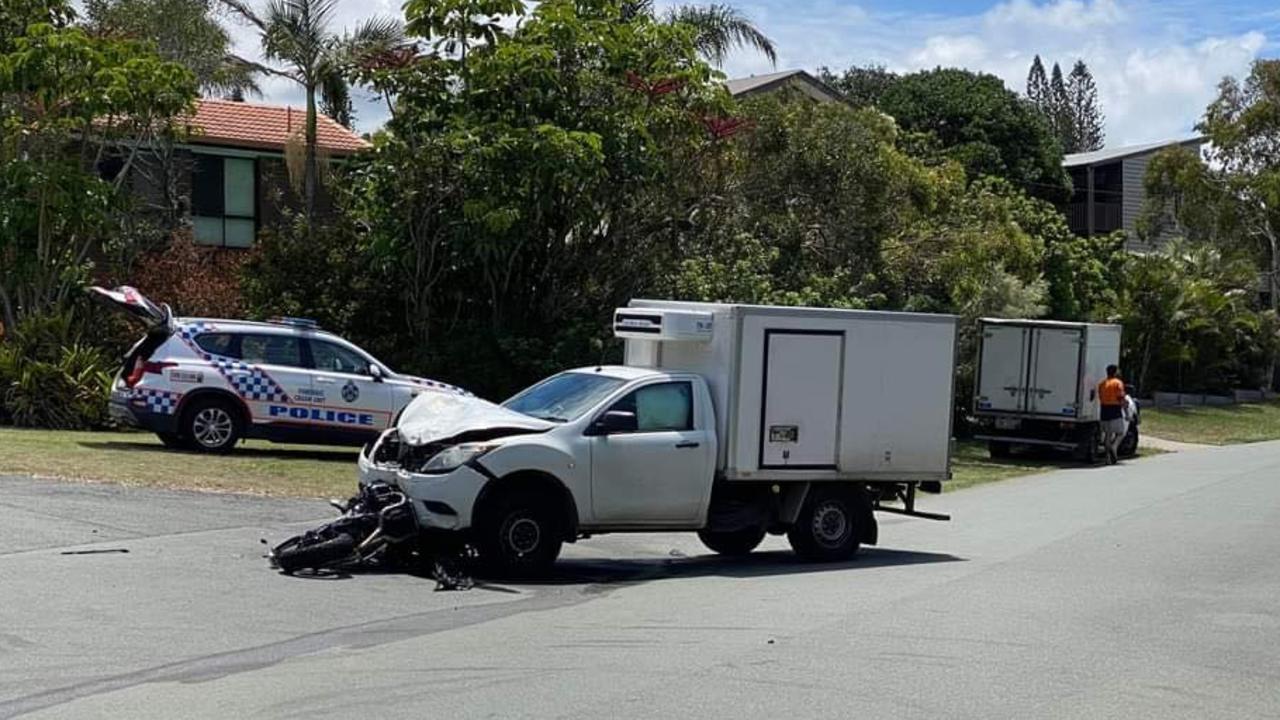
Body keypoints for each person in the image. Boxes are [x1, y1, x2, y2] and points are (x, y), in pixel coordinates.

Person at [1097, 365, 1127, 464]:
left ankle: (1107, 459)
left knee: (1107, 434)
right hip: (1115, 410)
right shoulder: (1118, 383)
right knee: (1121, 432)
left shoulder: (1101, 384)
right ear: (1115, 372)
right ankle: (1114, 446)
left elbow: (1100, 397)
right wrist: (1126, 411)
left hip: (1104, 410)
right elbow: (1120, 398)